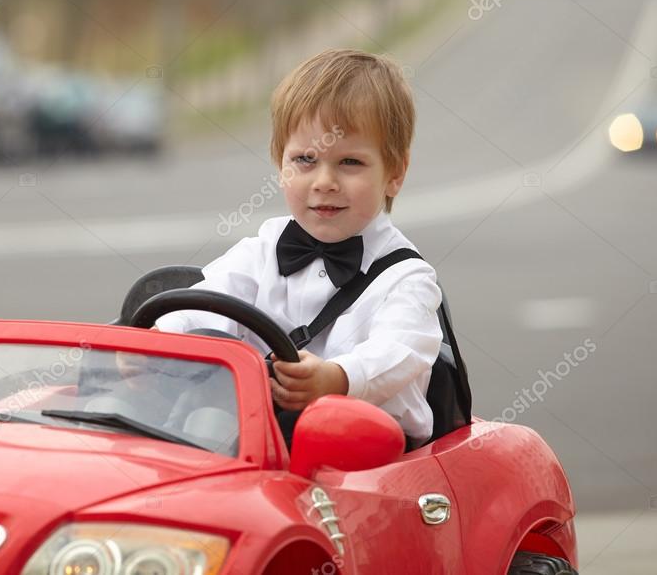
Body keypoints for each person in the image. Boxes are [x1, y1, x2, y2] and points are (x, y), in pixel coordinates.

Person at [155, 48, 443, 448]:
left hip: (365, 452)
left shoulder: (406, 278)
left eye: (350, 163)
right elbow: (203, 302)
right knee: (182, 411)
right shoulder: (261, 251)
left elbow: (400, 350)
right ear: (280, 165)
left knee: (308, 434)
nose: (324, 181)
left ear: (394, 173)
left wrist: (338, 378)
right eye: (305, 160)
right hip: (258, 433)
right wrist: (158, 341)